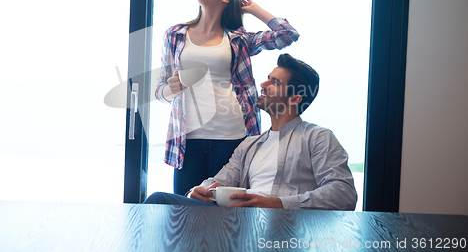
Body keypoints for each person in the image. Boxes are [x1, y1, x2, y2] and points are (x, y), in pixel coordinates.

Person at [146, 53, 358, 210]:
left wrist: (277, 204)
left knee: (158, 201)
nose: (263, 84)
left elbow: (343, 194)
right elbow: (221, 180)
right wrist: (198, 191)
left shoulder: (318, 137)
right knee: (161, 205)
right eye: (267, 78)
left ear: (295, 98)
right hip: (240, 222)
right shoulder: (250, 144)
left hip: (287, 224)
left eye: (274, 82)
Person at [155, 0, 299, 195]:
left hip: (231, 137)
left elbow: (286, 34)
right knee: (184, 213)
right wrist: (169, 90)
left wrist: (253, 8)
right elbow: (159, 91)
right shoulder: (175, 35)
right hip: (188, 139)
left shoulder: (238, 38)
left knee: (227, 215)